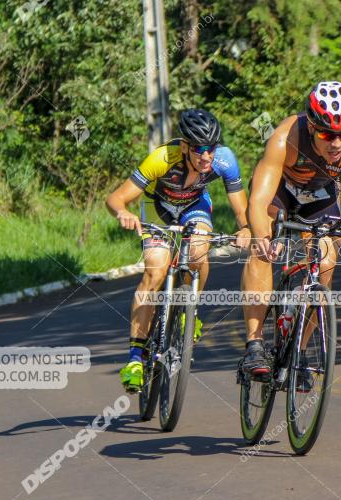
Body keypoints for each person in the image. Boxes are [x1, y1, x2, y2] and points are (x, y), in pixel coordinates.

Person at [240, 81, 341, 378]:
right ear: (311, 129)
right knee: (262, 250)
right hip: (278, 192)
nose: (335, 143)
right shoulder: (285, 137)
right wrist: (263, 237)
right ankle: (254, 345)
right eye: (326, 134)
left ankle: (300, 351)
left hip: (319, 196)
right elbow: (257, 201)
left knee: (326, 263)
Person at [105, 109, 250, 393]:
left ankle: (189, 312)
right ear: (184, 147)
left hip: (194, 206)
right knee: (155, 270)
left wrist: (245, 228)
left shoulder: (224, 159)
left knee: (198, 250)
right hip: (158, 209)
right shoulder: (162, 158)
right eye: (199, 150)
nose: (206, 157)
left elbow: (241, 209)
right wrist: (122, 212)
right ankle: (135, 357)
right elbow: (116, 198)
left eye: (211, 149)